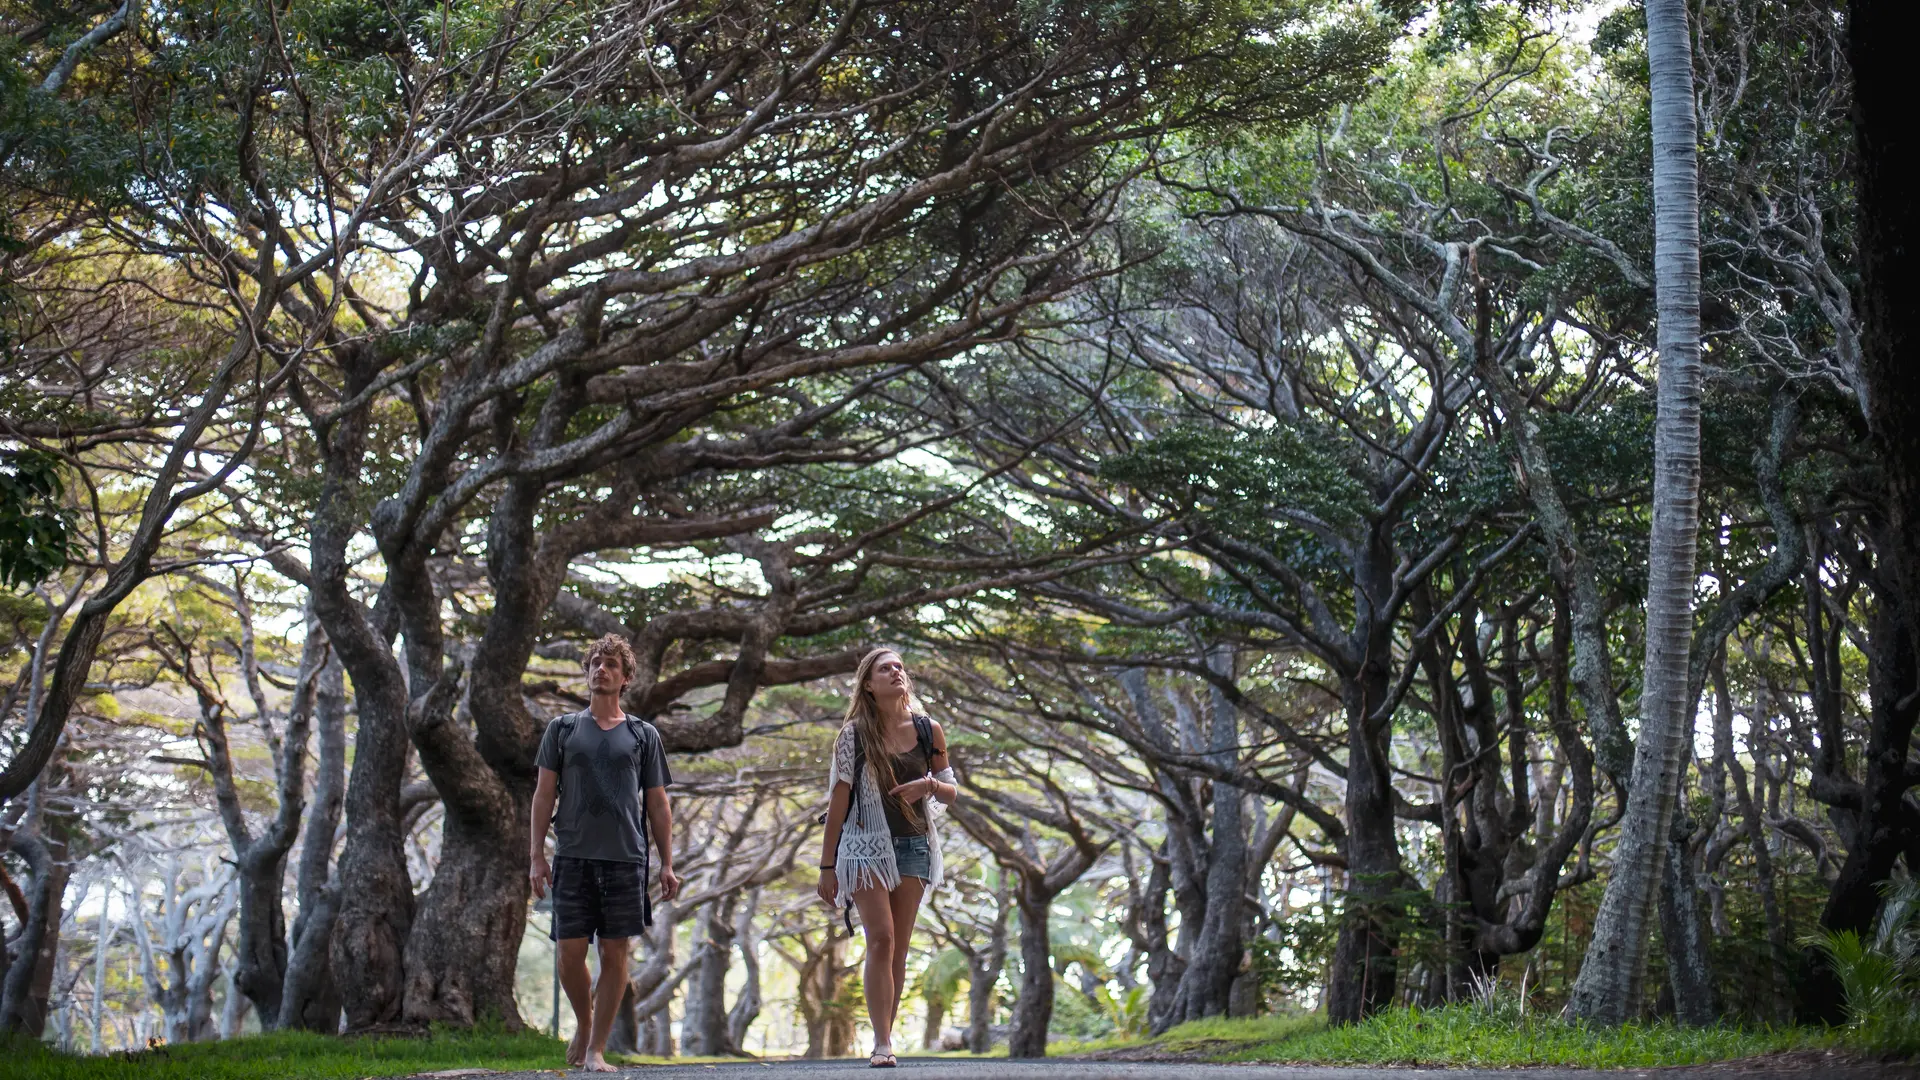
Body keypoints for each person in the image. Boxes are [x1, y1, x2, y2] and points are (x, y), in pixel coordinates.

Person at [530, 633, 680, 1073]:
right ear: (587, 671)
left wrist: (667, 862)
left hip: (626, 858)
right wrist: (537, 856)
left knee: (615, 954)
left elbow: (657, 802)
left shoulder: (642, 734)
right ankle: (585, 1022)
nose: (601, 669)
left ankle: (596, 1049)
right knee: (570, 952)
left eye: (611, 664)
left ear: (625, 677)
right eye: (595, 662)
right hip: (573, 855)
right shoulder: (561, 730)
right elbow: (542, 796)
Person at [816, 647, 959, 1068]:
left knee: (898, 949)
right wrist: (827, 867)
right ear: (868, 683)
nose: (895, 672)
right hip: (862, 849)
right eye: (885, 668)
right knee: (880, 939)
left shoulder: (929, 730)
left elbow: (952, 790)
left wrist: (927, 786)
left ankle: (885, 1039)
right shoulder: (853, 736)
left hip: (915, 846)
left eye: (899, 667)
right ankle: (882, 1043)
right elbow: (838, 802)